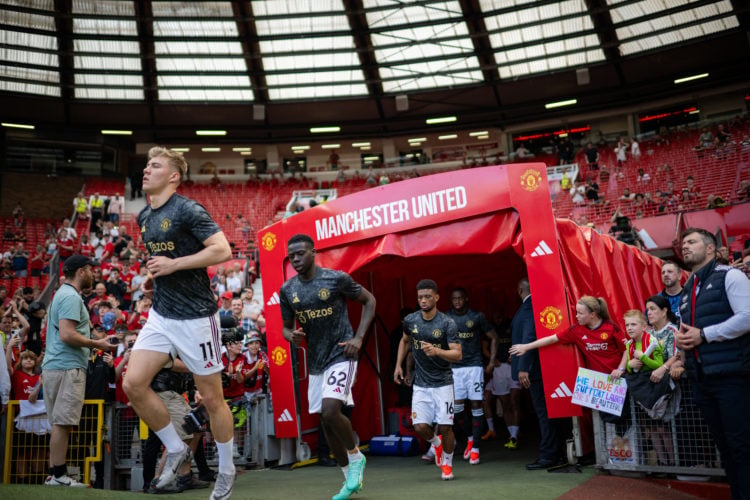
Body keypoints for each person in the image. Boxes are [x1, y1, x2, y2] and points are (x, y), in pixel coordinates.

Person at [122, 146, 236, 500]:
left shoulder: (188, 208)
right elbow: (162, 260)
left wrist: (174, 265)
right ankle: (175, 448)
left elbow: (222, 250)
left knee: (214, 400)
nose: (146, 170)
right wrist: (154, 277)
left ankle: (228, 469)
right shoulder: (143, 217)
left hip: (197, 317)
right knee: (134, 383)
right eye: (146, 165)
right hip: (161, 314)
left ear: (173, 176)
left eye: (155, 166)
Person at [281, 233, 376, 500]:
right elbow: (286, 329)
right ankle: (348, 478)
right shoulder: (288, 290)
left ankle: (356, 458)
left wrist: (358, 338)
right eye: (292, 256)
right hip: (315, 362)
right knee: (325, 420)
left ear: (313, 252)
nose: (296, 259)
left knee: (331, 411)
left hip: (341, 354)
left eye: (300, 253)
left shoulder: (336, 279)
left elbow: (370, 301)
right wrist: (292, 336)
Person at [675, 227, 750, 499]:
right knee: (726, 447)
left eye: (691, 242)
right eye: (683, 243)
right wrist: (684, 344)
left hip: (732, 378)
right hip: (703, 380)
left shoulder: (732, 276)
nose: (685, 247)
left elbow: (748, 317)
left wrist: (704, 335)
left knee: (741, 446)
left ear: (710, 249)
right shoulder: (687, 289)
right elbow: (691, 334)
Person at [42, 255, 116, 487]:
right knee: (63, 422)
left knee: (59, 422)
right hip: (67, 366)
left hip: (57, 366)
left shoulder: (62, 294)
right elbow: (67, 334)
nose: (94, 275)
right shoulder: (71, 296)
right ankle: (60, 476)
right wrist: (98, 345)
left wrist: (98, 339)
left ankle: (57, 474)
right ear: (82, 271)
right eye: (91, 270)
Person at [394, 279, 461, 481]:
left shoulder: (447, 323)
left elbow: (457, 354)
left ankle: (447, 464)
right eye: (420, 297)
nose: (423, 300)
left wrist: (436, 351)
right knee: (420, 426)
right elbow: (405, 341)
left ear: (436, 297)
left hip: (443, 382)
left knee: (446, 426)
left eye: (427, 297)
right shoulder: (411, 320)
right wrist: (398, 365)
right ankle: (437, 445)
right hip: (421, 384)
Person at [440, 287, 497, 465]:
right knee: (456, 409)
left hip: (474, 367)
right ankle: (471, 438)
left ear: (466, 299)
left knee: (476, 405)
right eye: (453, 299)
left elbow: (493, 337)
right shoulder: (446, 318)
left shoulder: (477, 316)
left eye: (459, 298)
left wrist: (492, 361)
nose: (456, 301)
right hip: (455, 368)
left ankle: (476, 449)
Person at [512, 278, 564, 470]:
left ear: (520, 290)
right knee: (546, 412)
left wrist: (523, 366)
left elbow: (529, 335)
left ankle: (549, 455)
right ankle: (553, 452)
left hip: (535, 369)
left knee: (544, 413)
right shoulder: (534, 306)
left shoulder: (530, 307)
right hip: (539, 367)